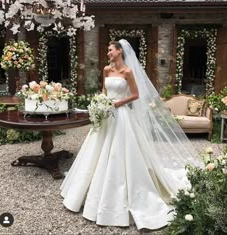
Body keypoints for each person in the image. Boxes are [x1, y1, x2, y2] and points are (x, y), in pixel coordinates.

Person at [60, 39, 201, 230]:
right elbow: (103, 90)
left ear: (119, 51)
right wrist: (100, 104)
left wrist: (116, 104)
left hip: (122, 116)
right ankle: (87, 192)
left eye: (110, 50)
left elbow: (135, 95)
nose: (108, 53)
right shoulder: (106, 70)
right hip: (106, 115)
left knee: (122, 153)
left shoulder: (127, 72)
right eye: (108, 50)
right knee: (96, 151)